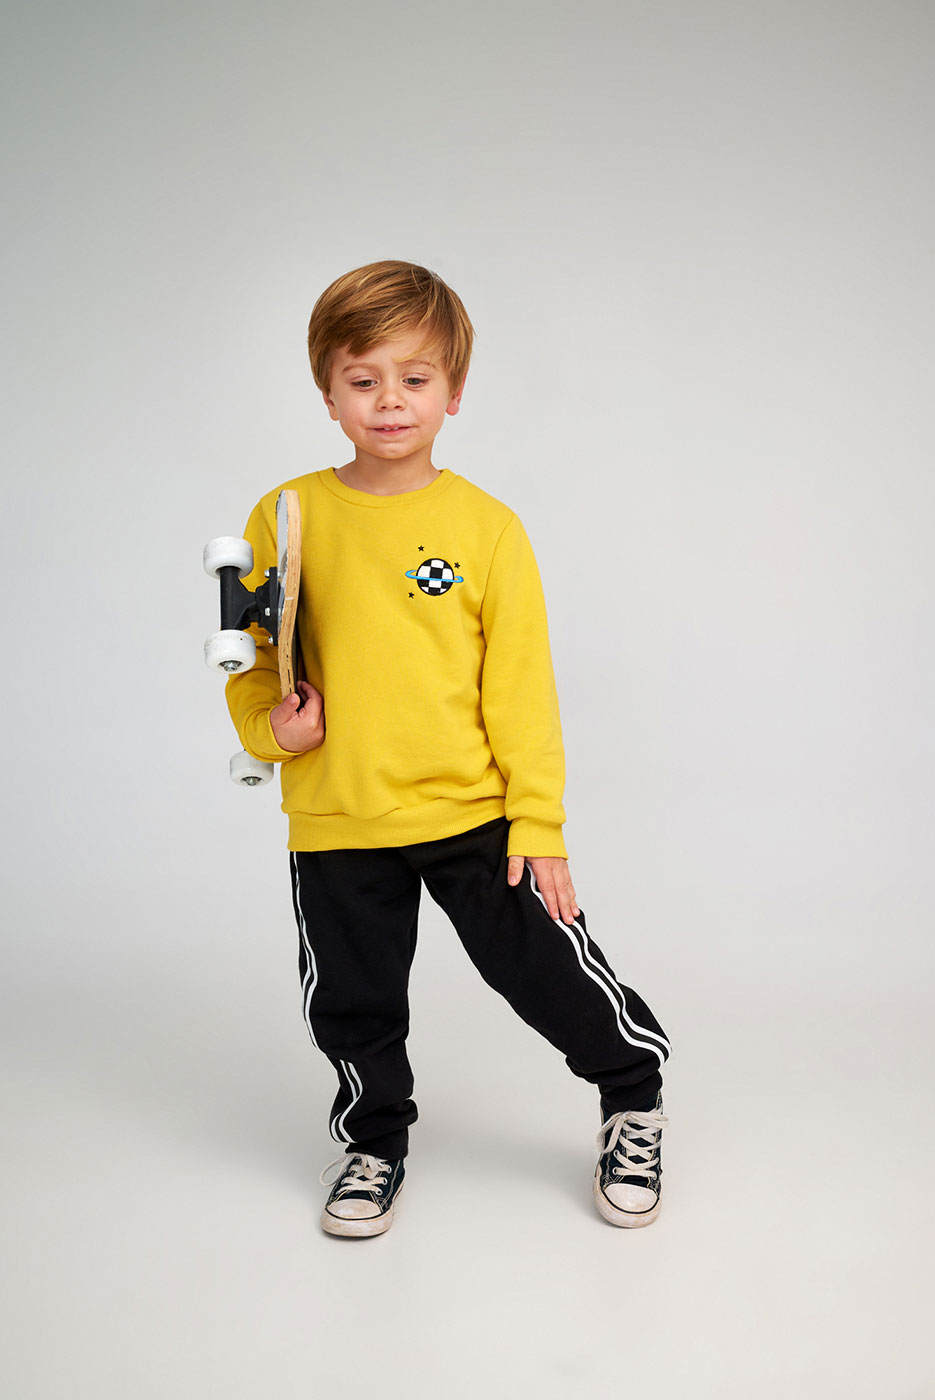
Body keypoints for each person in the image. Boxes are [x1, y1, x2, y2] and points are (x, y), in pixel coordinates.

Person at [224, 259, 671, 1238]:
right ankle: (373, 1143)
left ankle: (632, 1093)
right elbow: (251, 659)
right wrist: (270, 730)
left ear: (453, 391)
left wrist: (538, 822)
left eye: (414, 378)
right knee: (353, 1003)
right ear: (328, 392)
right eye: (363, 378)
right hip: (338, 815)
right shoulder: (286, 515)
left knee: (546, 973)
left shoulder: (487, 529)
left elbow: (521, 691)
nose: (389, 400)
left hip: (474, 816)